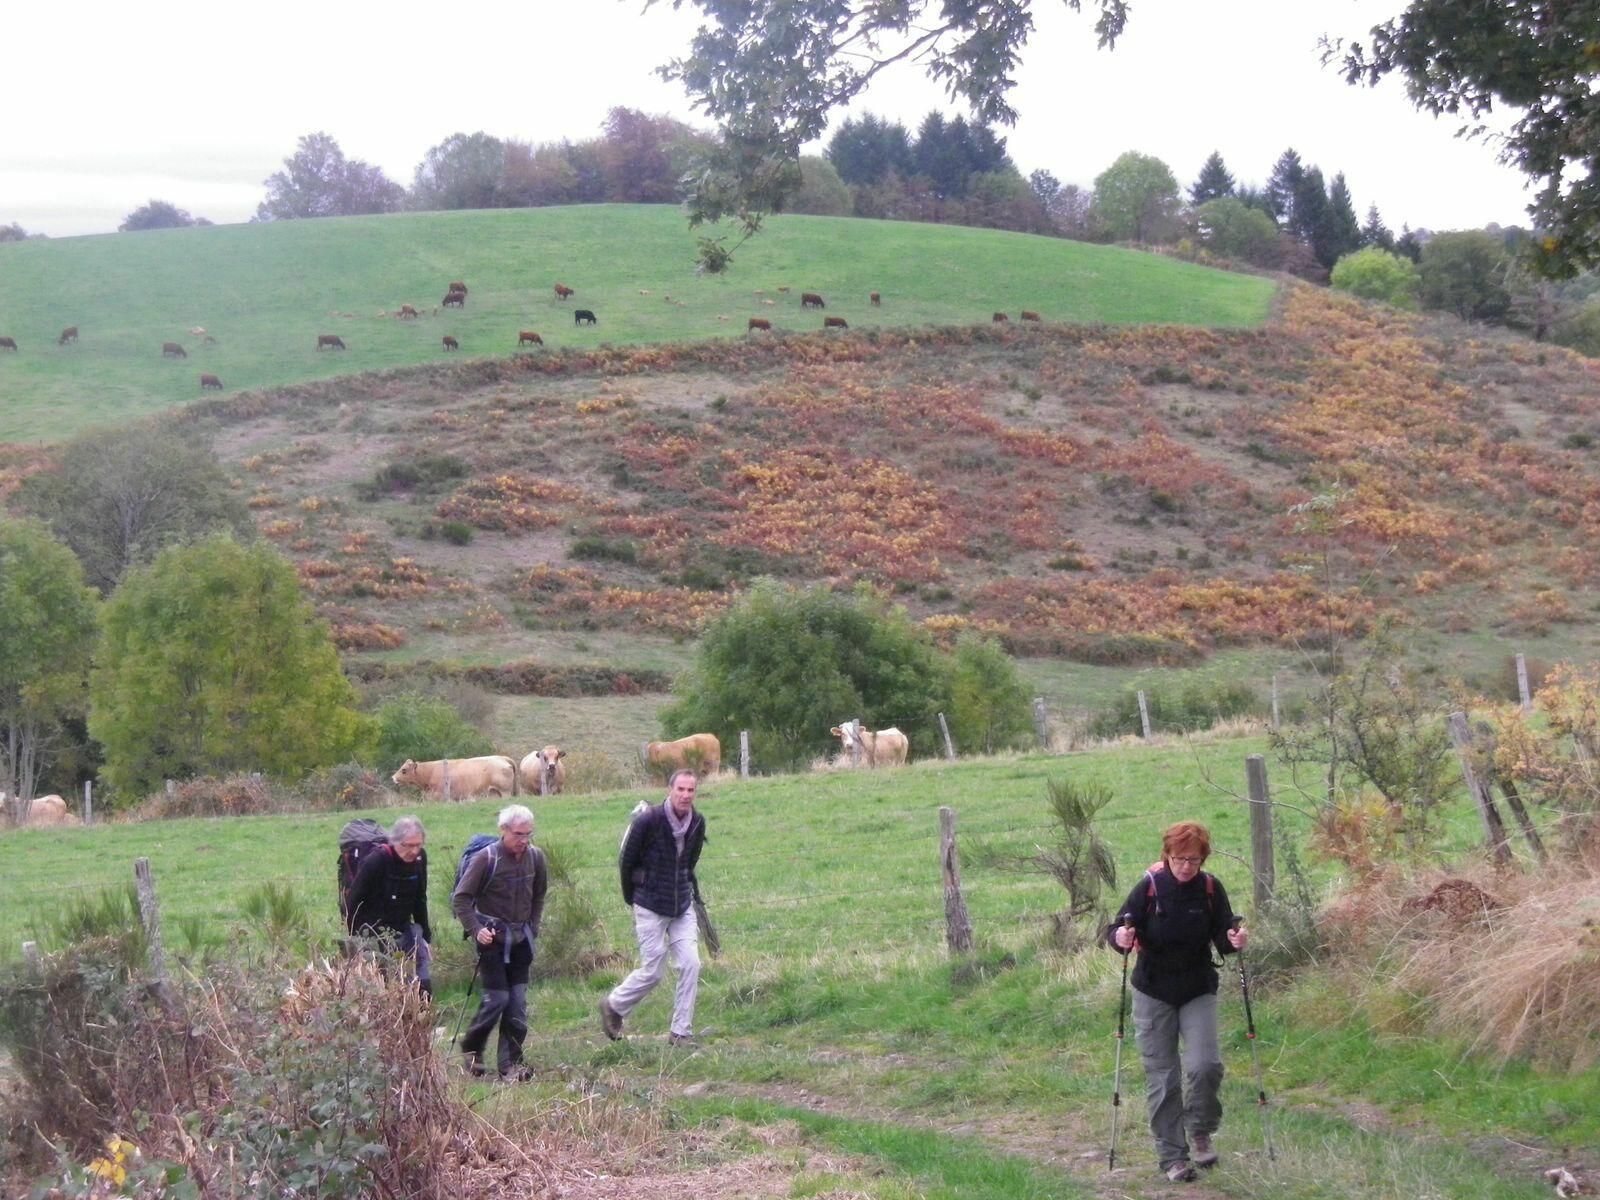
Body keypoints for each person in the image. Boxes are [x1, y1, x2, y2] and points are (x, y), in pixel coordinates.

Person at [1106, 820, 1247, 1182]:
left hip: (1197, 986)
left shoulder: (1210, 888)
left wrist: (1235, 939)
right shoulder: (1149, 887)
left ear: (1203, 859)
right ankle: (1173, 1158)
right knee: (1163, 1077)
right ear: (1167, 855)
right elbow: (1116, 928)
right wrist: (1120, 937)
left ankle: (1200, 1130)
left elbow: (1224, 937)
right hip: (1153, 990)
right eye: (1180, 859)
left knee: (1205, 1066)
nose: (1186, 867)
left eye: (1194, 860)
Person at [599, 769, 707, 1045]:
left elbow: (690, 862)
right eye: (680, 789)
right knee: (653, 970)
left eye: (690, 790)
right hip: (649, 903)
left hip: (681, 904)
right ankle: (614, 1005)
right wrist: (633, 897)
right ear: (670, 790)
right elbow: (627, 861)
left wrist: (684, 888)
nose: (685, 795)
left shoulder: (697, 822)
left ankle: (681, 1032)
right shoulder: (649, 820)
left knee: (691, 964)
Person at [452, 804, 548, 1081]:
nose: (524, 840)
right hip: (492, 941)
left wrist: (533, 926)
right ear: (503, 830)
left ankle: (510, 1065)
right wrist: (476, 930)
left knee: (517, 1005)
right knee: (497, 1000)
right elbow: (461, 899)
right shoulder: (486, 858)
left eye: (528, 834)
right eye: (518, 834)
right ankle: (472, 1049)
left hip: (522, 941)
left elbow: (539, 894)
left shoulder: (536, 858)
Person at [346, 815, 433, 1000]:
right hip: (373, 931)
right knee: (383, 984)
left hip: (404, 927)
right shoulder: (376, 861)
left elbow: (420, 899)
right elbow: (353, 900)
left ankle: (423, 1013)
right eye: (408, 845)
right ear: (395, 841)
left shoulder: (420, 859)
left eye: (418, 845)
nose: (414, 851)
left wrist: (426, 937)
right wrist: (356, 940)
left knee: (422, 983)